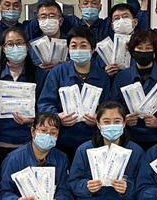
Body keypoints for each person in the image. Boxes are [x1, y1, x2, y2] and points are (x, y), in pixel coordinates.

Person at [37, 26, 111, 159]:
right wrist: (57, 117)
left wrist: (98, 118)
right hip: (62, 140)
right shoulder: (57, 72)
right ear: (68, 49)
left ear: (93, 49)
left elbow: (107, 107)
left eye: (83, 46)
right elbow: (44, 103)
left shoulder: (102, 77)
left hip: (92, 140)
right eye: (74, 46)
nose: (78, 50)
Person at [109, 29, 157, 150]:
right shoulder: (122, 77)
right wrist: (124, 119)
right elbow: (113, 105)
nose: (143, 52)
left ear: (155, 52)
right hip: (129, 137)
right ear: (132, 51)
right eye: (139, 48)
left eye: (148, 48)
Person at [0, 27, 41, 165]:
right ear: (4, 48)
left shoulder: (40, 75)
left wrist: (33, 119)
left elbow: (45, 107)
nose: (15, 47)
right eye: (10, 44)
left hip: (28, 144)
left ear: (27, 46)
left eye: (19, 43)